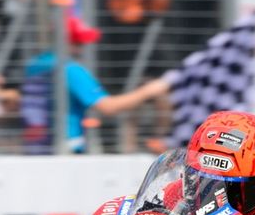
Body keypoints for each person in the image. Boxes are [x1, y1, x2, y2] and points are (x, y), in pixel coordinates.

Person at [20, 15, 170, 153]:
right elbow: (108, 107)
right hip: (66, 146)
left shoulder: (35, 65)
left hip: (36, 145)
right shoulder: (70, 69)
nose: (83, 48)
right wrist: (148, 91)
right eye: (79, 42)